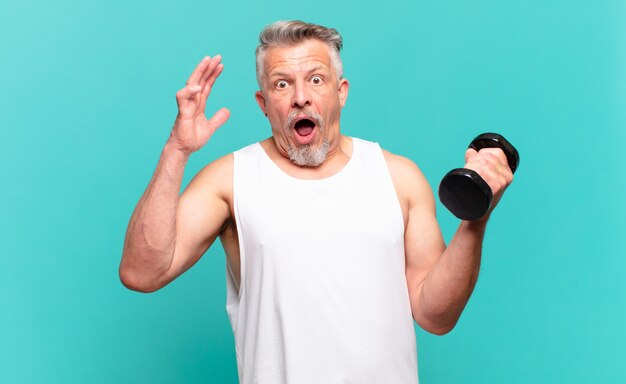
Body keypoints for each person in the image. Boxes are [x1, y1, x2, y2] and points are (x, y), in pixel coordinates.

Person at [119, 20, 513, 384]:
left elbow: (436, 315)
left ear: (341, 92)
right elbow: (141, 273)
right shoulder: (230, 180)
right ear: (263, 103)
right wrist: (177, 149)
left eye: (317, 79)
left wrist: (476, 218)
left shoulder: (399, 177)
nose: (301, 98)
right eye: (282, 84)